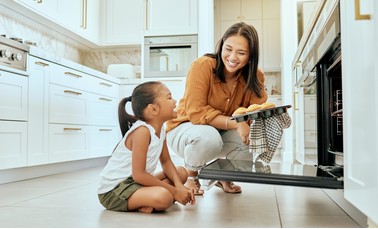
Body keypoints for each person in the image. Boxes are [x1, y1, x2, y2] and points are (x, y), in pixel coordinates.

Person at [166, 22, 268, 195]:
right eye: (228, 49)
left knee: (256, 137)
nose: (232, 57)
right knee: (208, 137)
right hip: (186, 130)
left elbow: (257, 112)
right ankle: (191, 175)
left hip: (220, 132)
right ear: (221, 46)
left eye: (241, 53)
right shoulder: (203, 66)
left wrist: (258, 119)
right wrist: (237, 123)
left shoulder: (255, 76)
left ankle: (223, 175)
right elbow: (196, 113)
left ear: (250, 56)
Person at [98, 81, 195, 213]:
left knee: (181, 173)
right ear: (153, 109)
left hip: (135, 183)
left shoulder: (161, 129)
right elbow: (139, 175)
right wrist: (174, 191)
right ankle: (146, 201)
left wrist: (179, 186)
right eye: (169, 97)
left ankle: (145, 201)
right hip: (115, 190)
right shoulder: (142, 132)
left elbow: (166, 161)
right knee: (164, 197)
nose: (175, 101)